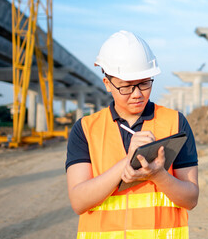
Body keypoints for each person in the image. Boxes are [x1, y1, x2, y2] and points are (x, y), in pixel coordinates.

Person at [65, 30, 198, 239]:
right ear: (108, 84)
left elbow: (190, 199)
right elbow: (79, 201)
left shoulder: (175, 122)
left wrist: (158, 175)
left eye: (144, 83)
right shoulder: (86, 129)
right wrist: (126, 162)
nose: (137, 94)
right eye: (126, 87)